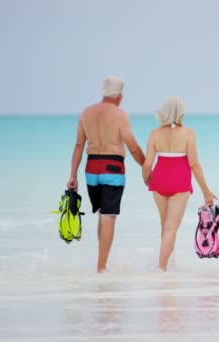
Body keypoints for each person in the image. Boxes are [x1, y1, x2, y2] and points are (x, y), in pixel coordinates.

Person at [67, 76, 145, 273]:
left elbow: (78, 146)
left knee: (103, 214)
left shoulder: (86, 113)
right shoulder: (120, 114)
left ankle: (102, 263)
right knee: (109, 216)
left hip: (91, 169)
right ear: (119, 95)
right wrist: (146, 167)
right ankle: (101, 268)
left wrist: (72, 175)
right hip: (113, 168)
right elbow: (133, 146)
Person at [142, 97, 218, 271]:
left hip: (159, 181)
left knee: (166, 226)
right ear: (181, 112)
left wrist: (147, 179)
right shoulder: (189, 133)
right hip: (180, 182)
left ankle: (169, 262)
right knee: (171, 228)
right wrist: (206, 192)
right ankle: (161, 269)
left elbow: (147, 164)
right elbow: (194, 164)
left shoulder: (155, 133)